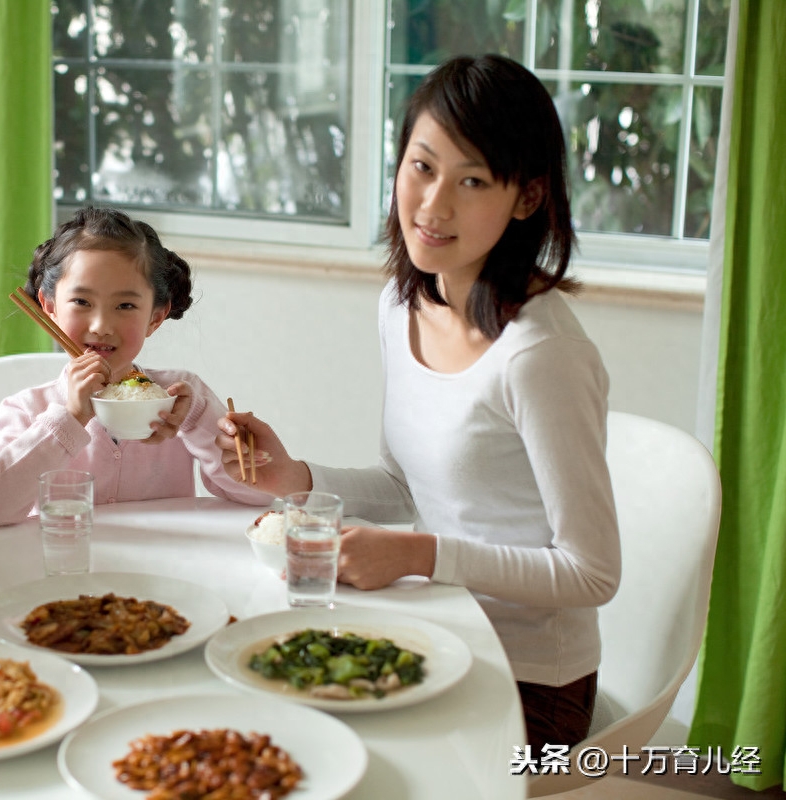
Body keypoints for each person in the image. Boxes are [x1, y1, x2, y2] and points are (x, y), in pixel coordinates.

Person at [217, 55, 621, 751]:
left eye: (472, 181)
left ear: (526, 198)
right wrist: (297, 478)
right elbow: (406, 486)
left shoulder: (539, 353)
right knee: (256, 706)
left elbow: (591, 572)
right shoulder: (403, 304)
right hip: (437, 629)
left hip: (530, 681)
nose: (433, 206)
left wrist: (419, 556)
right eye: (423, 167)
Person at [0, 206, 265, 525]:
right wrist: (71, 417)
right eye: (82, 302)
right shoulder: (25, 410)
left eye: (125, 305)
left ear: (155, 316)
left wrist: (195, 418)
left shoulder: (182, 397)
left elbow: (257, 493)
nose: (101, 325)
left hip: (167, 569)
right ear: (49, 306)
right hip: (61, 570)